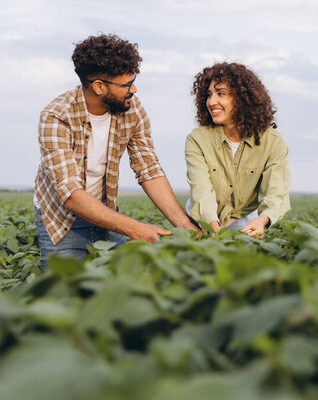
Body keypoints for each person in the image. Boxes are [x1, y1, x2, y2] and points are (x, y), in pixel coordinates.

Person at [34, 34, 198, 266]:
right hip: (61, 220)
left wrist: (185, 226)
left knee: (119, 284)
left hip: (106, 210)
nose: (134, 89)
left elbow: (149, 169)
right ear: (99, 86)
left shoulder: (132, 109)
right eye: (126, 84)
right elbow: (70, 194)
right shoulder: (56, 117)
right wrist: (134, 228)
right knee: (66, 292)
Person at [185, 62, 290, 239]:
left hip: (243, 221)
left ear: (242, 98)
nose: (211, 102)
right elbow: (201, 191)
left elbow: (276, 192)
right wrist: (213, 231)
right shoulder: (197, 139)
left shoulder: (273, 142)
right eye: (209, 95)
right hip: (201, 220)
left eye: (221, 94)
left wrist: (263, 219)